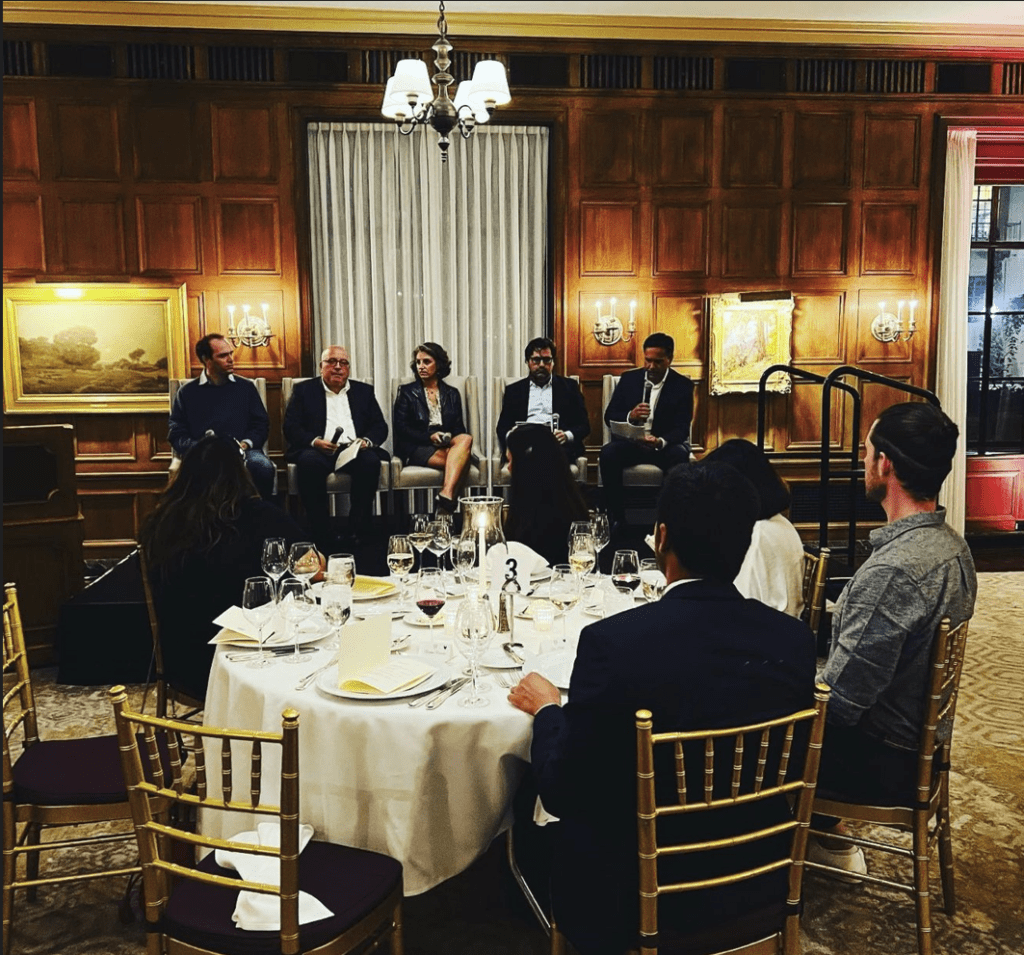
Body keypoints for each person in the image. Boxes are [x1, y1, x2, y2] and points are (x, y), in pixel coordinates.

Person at [508, 461, 817, 955]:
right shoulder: (793, 640)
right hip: (759, 878)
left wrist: (548, 710)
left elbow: (563, 792)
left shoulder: (612, 644)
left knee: (533, 812)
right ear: (744, 544)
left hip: (633, 902)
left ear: (663, 537)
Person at [811, 401, 977, 873]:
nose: (862, 461)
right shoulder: (953, 547)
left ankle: (756, 866)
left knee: (746, 726)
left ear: (884, 463)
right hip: (921, 748)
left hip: (882, 763)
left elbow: (840, 705)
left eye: (865, 451)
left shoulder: (893, 572)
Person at [139, 435, 310, 702]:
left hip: (181, 664)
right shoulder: (261, 516)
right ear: (240, 474)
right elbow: (313, 561)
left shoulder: (160, 522)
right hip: (244, 667)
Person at [283, 345, 390, 548]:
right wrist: (315, 441)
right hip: (317, 449)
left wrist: (365, 441)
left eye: (343, 363)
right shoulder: (304, 390)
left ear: (348, 368)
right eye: (332, 362)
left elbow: (379, 426)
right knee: (309, 464)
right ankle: (322, 533)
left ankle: (357, 531)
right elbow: (291, 426)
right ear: (321, 366)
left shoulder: (363, 391)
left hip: (353, 449)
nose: (338, 367)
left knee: (370, 462)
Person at [703, 438, 805, 617]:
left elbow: (742, 608)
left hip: (762, 628)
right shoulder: (779, 523)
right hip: (778, 624)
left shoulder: (757, 536)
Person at [600, 332, 694, 526]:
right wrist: (631, 416)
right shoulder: (629, 379)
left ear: (669, 359)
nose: (651, 366)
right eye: (647, 360)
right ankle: (616, 519)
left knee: (679, 456)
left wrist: (661, 441)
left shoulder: (682, 385)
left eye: (657, 362)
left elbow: (682, 427)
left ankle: (667, 522)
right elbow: (610, 416)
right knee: (608, 453)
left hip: (663, 446)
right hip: (632, 444)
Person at [168, 333, 276, 500]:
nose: (231, 359)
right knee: (202, 473)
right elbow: (176, 433)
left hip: (244, 451)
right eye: (223, 355)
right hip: (203, 453)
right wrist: (202, 448)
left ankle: (258, 514)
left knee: (262, 467)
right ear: (207, 360)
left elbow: (261, 425)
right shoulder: (187, 392)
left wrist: (245, 444)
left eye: (230, 353)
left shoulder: (246, 388)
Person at [393, 342, 474, 514]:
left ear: (439, 364)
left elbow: (459, 428)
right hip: (416, 446)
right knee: (462, 461)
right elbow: (401, 428)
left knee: (466, 438)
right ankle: (447, 503)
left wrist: (446, 437)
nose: (421, 366)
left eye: (426, 362)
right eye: (418, 362)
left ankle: (445, 496)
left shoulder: (452, 393)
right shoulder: (406, 392)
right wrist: (429, 437)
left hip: (444, 444)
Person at [503, 424, 590, 566]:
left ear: (527, 465)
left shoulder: (529, 517)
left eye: (512, 461)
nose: (509, 467)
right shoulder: (571, 503)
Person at [495, 337, 590, 463]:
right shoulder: (514, 390)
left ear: (553, 362)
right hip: (525, 444)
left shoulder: (569, 387)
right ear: (527, 362)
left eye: (546, 360)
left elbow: (584, 426)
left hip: (558, 446)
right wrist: (513, 435)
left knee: (542, 453)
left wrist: (566, 436)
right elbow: (502, 428)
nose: (541, 365)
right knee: (530, 453)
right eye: (536, 360)